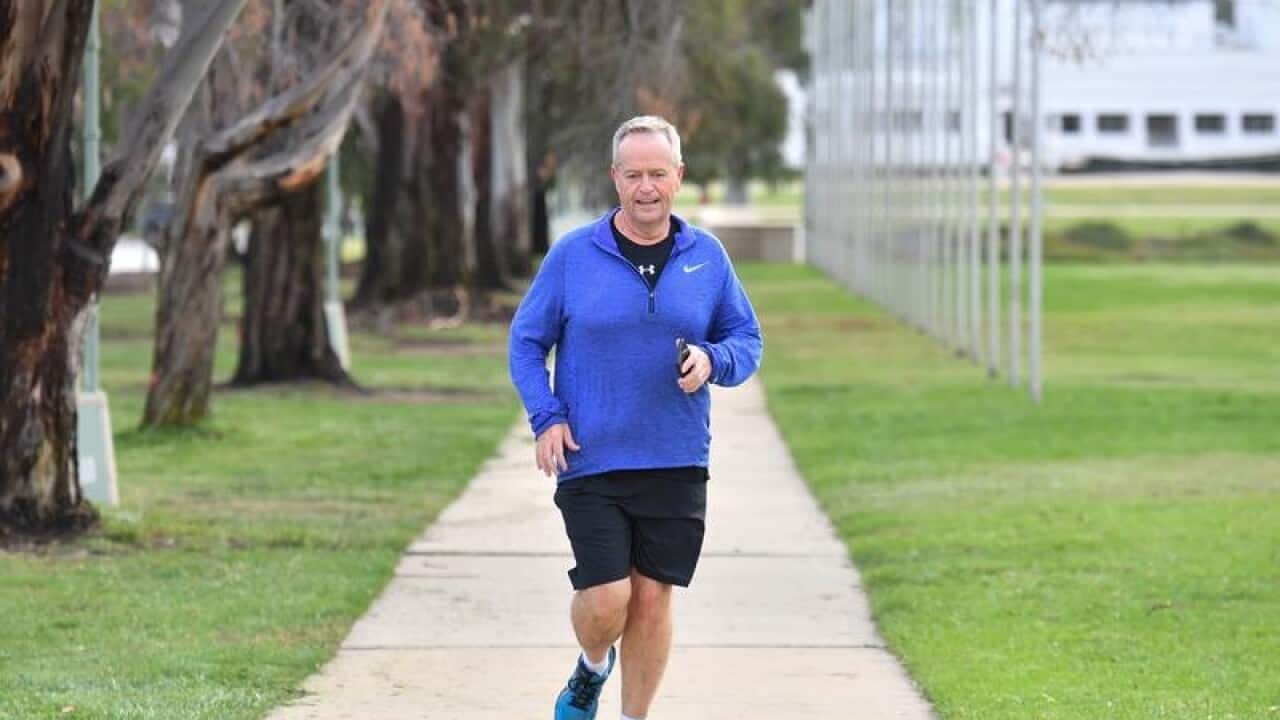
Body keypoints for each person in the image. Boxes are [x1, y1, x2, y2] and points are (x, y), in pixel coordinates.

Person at [508, 116, 763, 720]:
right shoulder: (575, 255)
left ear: (678, 176)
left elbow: (745, 338)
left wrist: (712, 358)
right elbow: (525, 341)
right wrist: (546, 417)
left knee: (651, 599)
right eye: (633, 175)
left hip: (675, 456)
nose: (646, 187)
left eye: (657, 173)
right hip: (591, 455)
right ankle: (593, 666)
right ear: (614, 179)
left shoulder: (707, 257)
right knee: (607, 600)